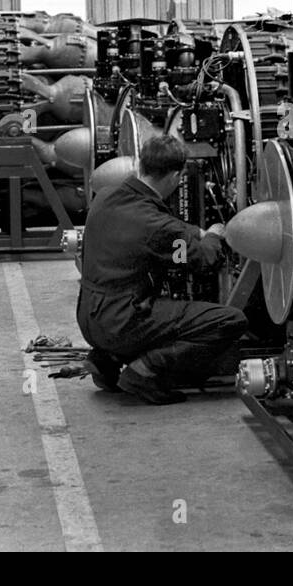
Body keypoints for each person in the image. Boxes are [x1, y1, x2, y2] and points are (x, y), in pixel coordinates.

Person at [76, 134, 248, 405]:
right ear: (175, 177)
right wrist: (214, 235)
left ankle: (105, 360)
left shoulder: (106, 197)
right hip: (121, 322)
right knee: (230, 320)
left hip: (90, 318)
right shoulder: (159, 227)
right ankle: (145, 370)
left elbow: (164, 229)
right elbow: (203, 260)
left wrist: (193, 231)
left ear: (140, 166)